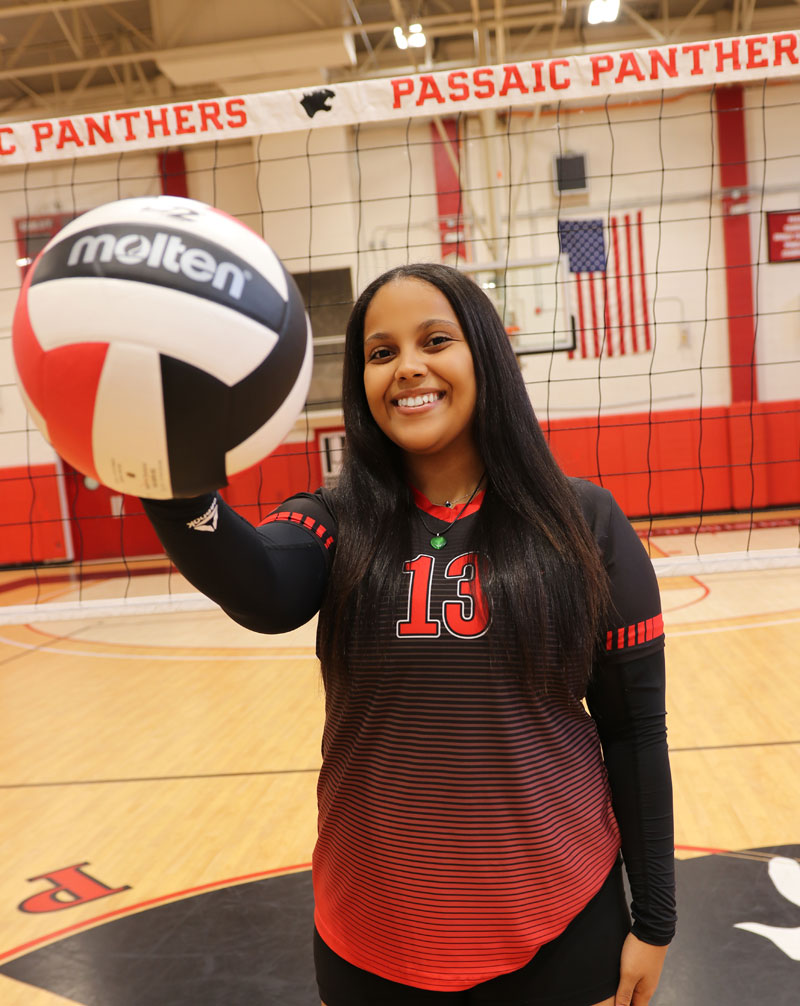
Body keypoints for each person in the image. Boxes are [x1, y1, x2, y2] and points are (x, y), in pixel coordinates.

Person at [143, 262, 676, 1006]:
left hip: (560, 929)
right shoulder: (335, 519)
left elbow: (634, 731)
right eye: (381, 352)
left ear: (485, 354)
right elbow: (264, 591)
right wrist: (169, 481)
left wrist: (655, 919)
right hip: (371, 941)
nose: (408, 367)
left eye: (435, 340)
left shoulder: (584, 523)